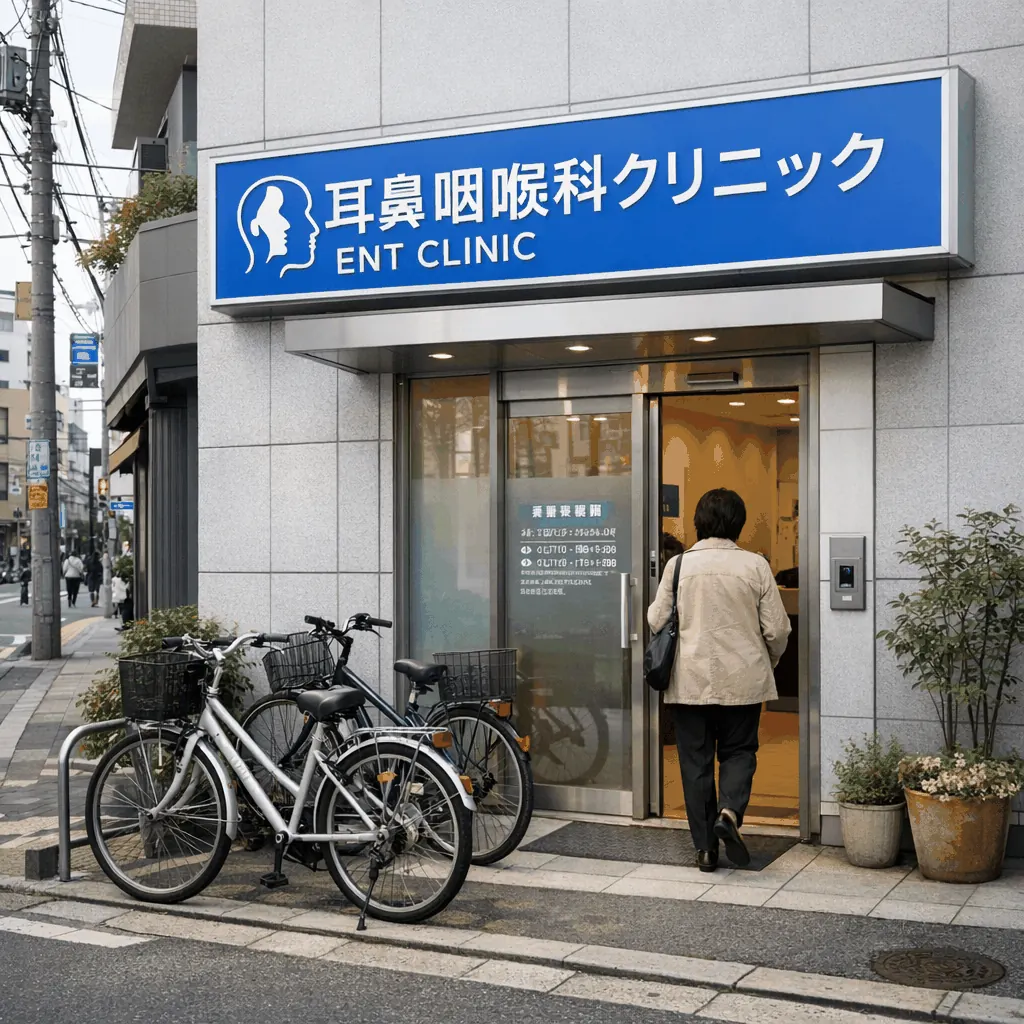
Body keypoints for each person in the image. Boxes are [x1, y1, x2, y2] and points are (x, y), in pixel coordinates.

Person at [648, 488, 791, 873]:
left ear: (699, 523)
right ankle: (729, 812)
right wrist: (767, 661)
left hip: (689, 681)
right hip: (742, 679)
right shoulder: (755, 566)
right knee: (739, 750)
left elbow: (656, 620)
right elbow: (777, 629)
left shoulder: (678, 566)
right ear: (738, 524)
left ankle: (706, 850)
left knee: (695, 762)